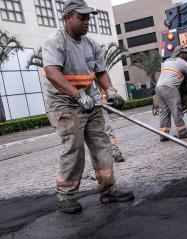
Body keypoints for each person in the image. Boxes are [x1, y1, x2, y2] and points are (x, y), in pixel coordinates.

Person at [42, 0, 134, 214]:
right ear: (67, 18)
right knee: (74, 147)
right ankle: (65, 195)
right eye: (81, 18)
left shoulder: (91, 44)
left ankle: (108, 189)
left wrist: (110, 90)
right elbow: (53, 73)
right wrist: (76, 95)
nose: (86, 22)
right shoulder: (56, 41)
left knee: (102, 143)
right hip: (64, 102)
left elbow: (100, 72)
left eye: (88, 18)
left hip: (90, 99)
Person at [91, 82, 125, 162]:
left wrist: (104, 96)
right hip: (76, 103)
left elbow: (99, 78)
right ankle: (100, 156)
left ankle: (116, 152)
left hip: (97, 101)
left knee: (107, 128)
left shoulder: (91, 70)